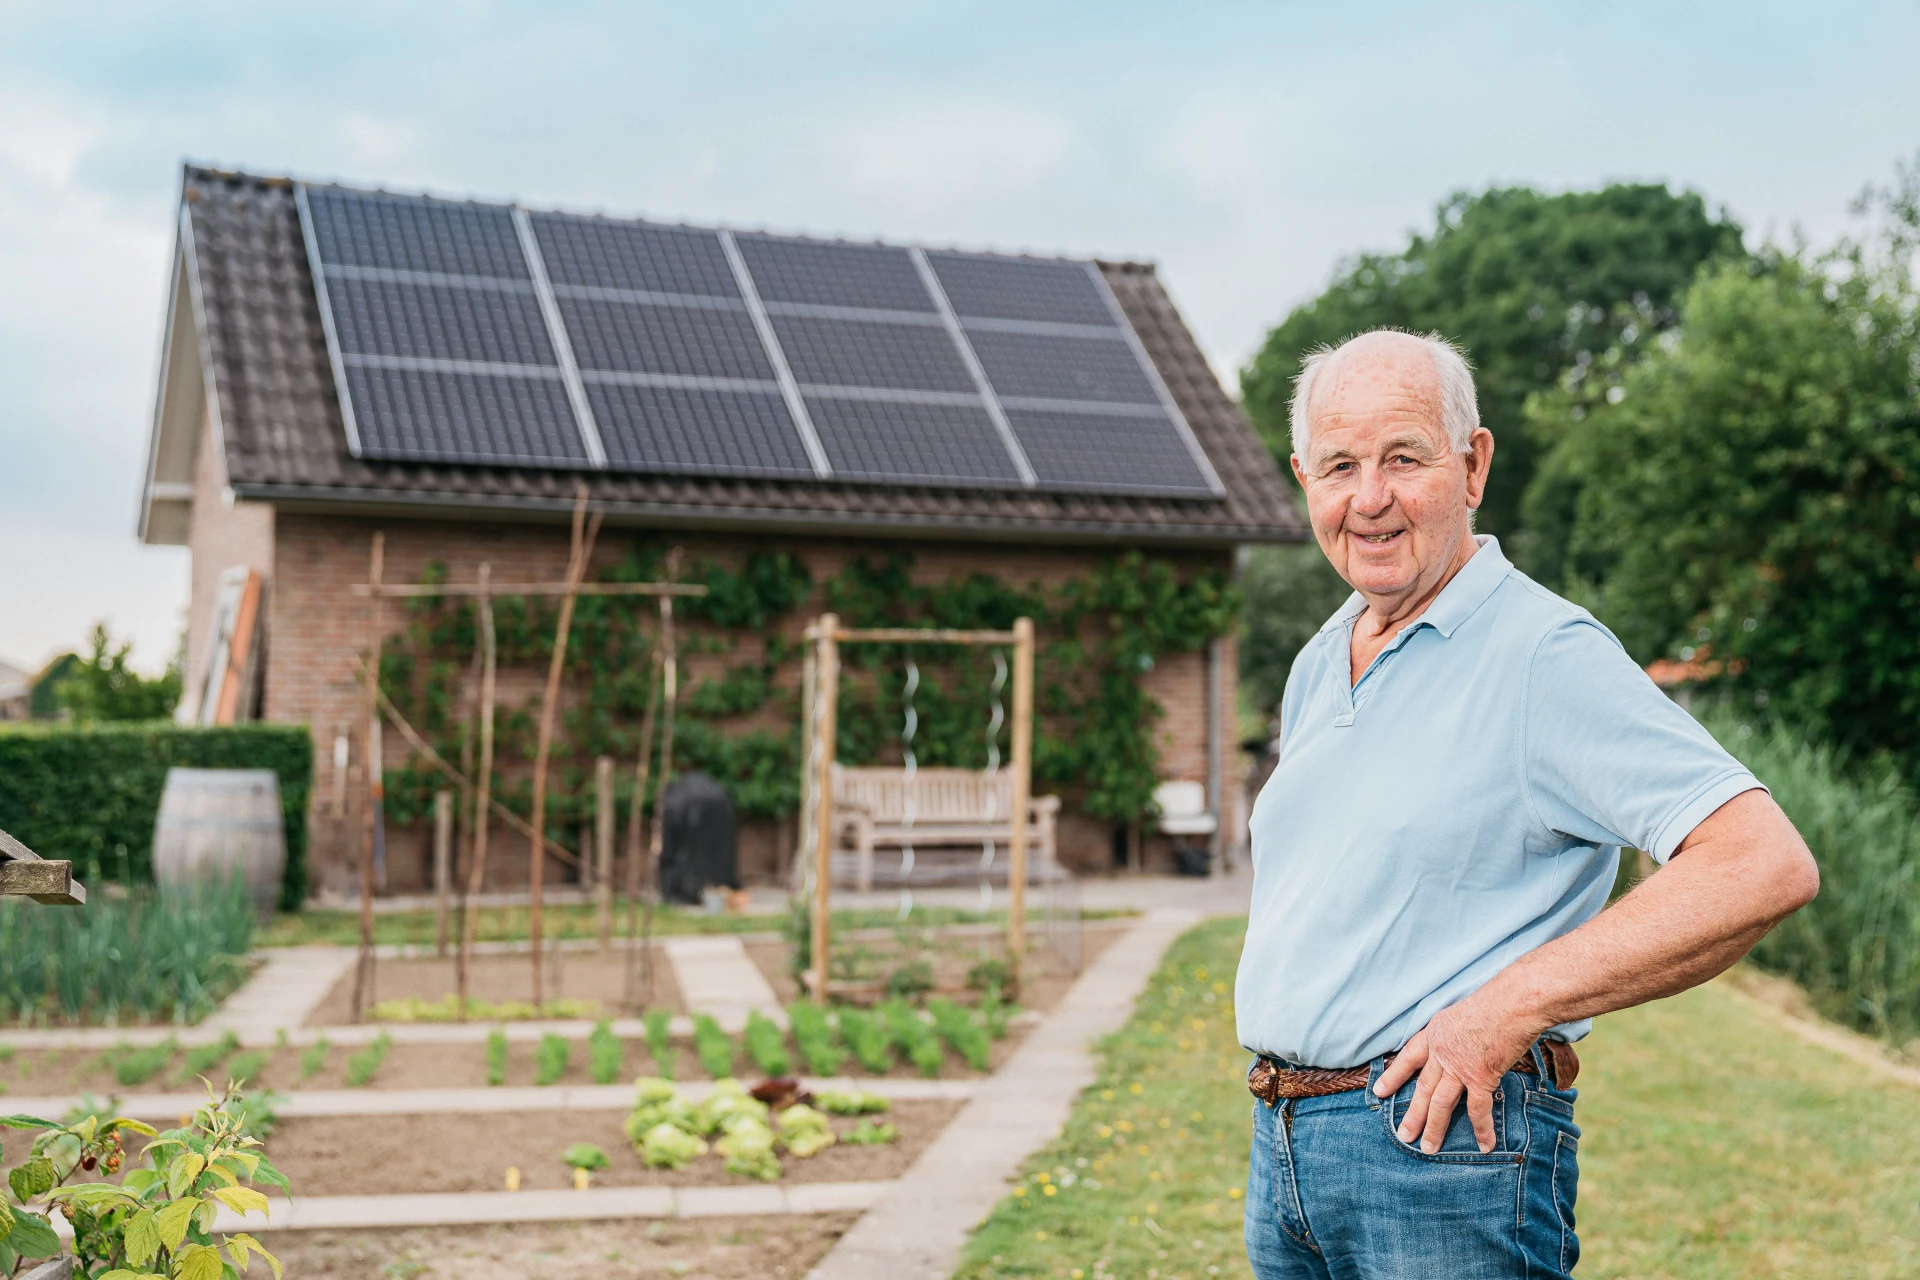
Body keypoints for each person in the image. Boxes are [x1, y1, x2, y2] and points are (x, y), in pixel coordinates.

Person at [1236, 329, 1818, 1279]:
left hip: (1437, 1154)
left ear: (1473, 466)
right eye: (1340, 466)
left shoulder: (1542, 653)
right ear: (1304, 478)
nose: (1369, 498)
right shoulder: (1321, 655)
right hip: (1288, 1147)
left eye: (1404, 459)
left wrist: (1505, 1009)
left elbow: (1761, 861)